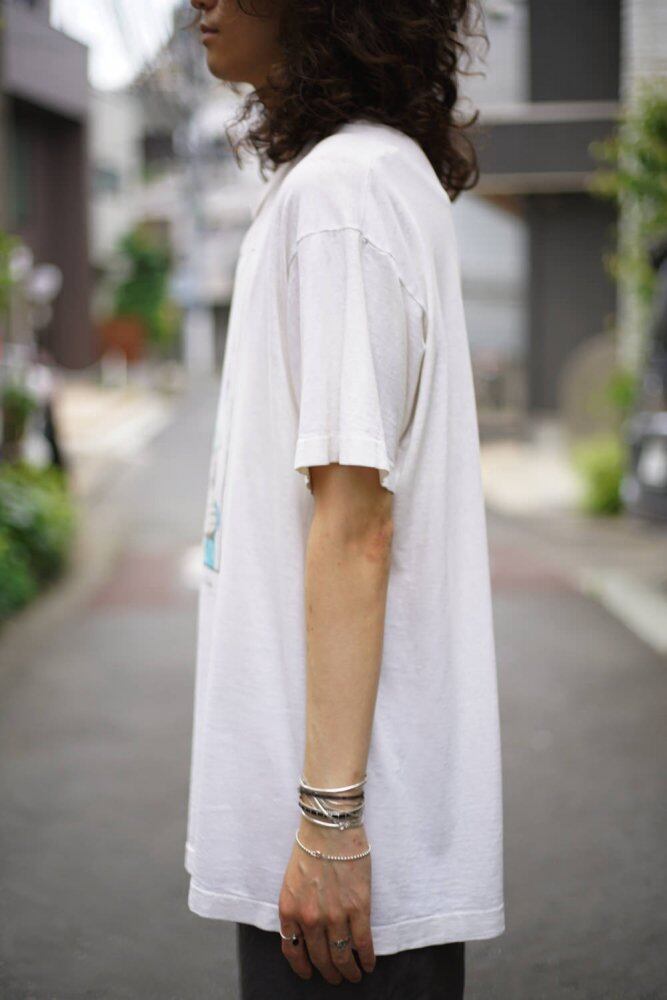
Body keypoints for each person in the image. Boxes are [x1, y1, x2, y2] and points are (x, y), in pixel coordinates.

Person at [185, 2, 504, 996]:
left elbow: (356, 523)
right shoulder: (348, 179)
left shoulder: (344, 193)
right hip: (341, 847)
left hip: (341, 872)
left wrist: (330, 825)